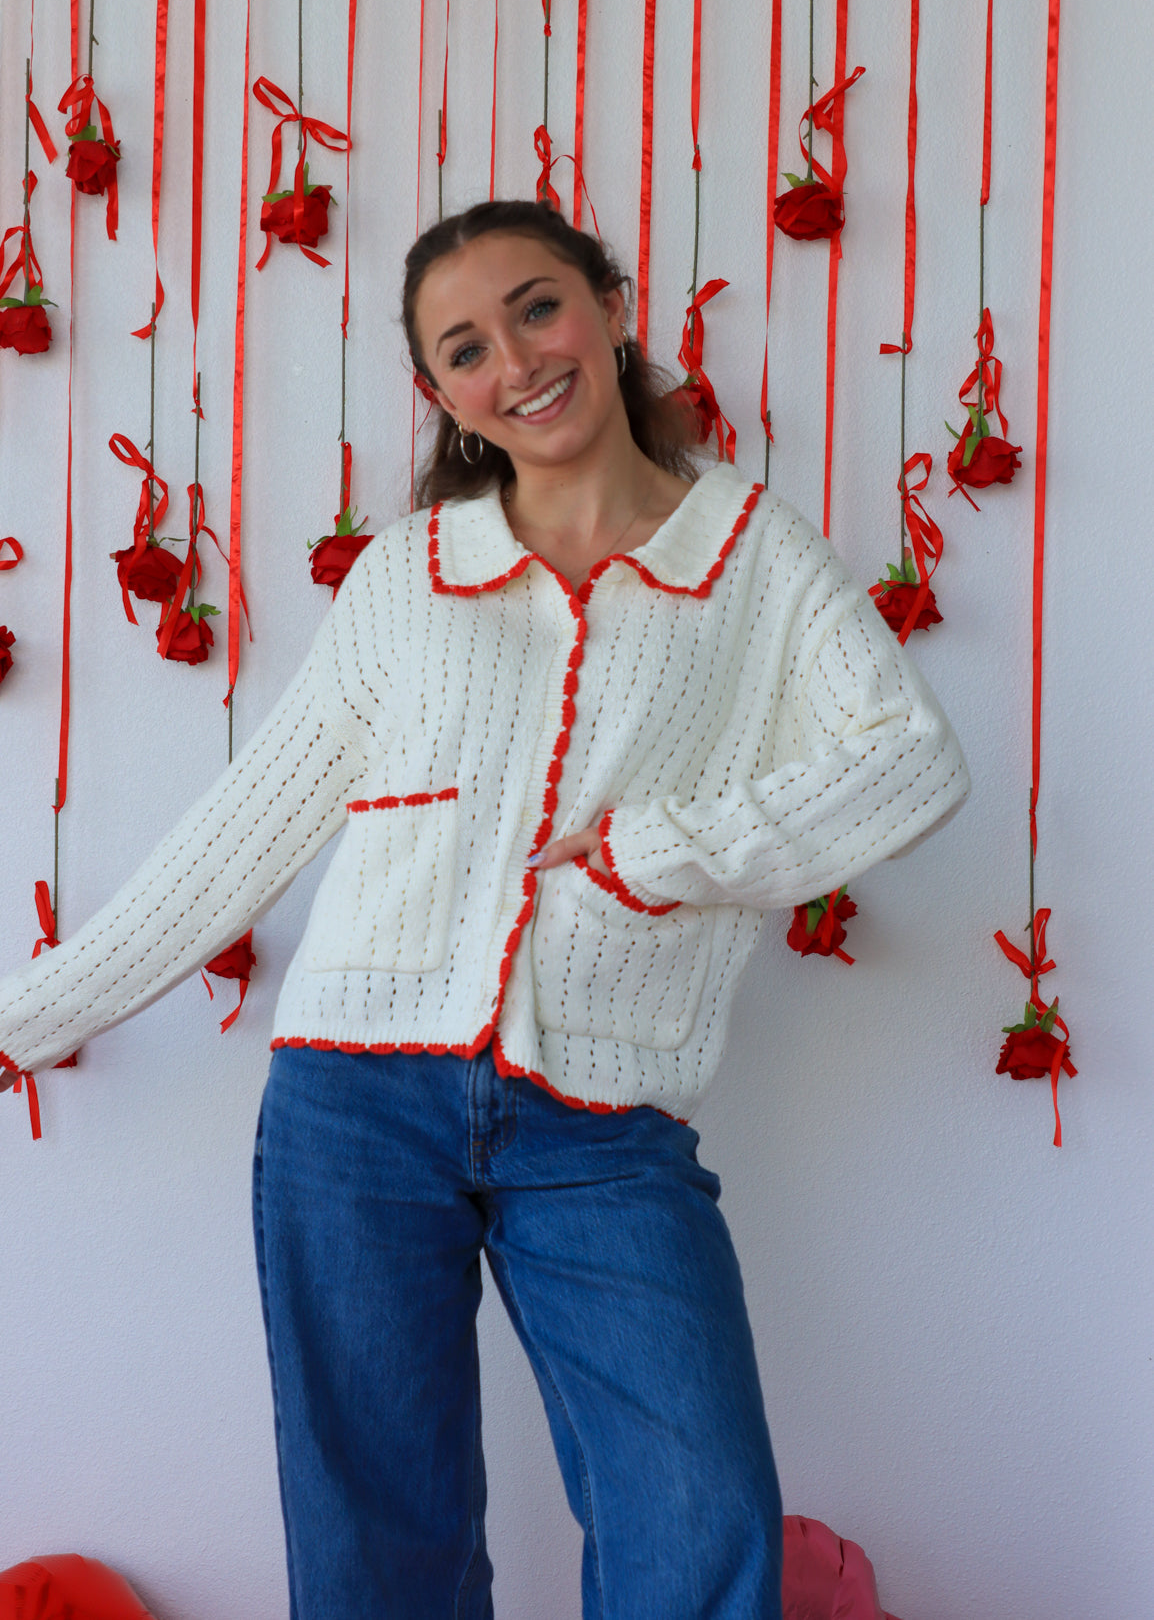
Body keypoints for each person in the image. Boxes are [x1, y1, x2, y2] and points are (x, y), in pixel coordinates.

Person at [0, 199, 969, 1619]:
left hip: (605, 1119)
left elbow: (910, 766)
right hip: (350, 1106)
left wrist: (659, 854)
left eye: (535, 306)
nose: (513, 359)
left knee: (695, 1515)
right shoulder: (407, 580)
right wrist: (29, 1018)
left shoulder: (752, 558)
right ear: (440, 394)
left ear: (610, 307)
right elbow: (240, 831)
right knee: (379, 1534)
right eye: (463, 346)